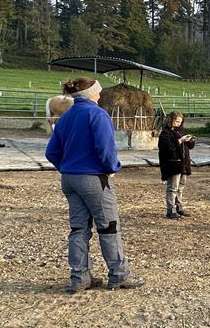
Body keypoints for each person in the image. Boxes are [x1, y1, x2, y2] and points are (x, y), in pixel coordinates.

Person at [45, 77, 144, 293]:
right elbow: (105, 148)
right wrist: (112, 168)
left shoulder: (65, 117)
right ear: (92, 94)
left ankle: (80, 277)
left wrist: (67, 166)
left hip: (70, 178)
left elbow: (51, 152)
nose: (100, 95)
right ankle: (119, 275)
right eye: (98, 92)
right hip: (94, 178)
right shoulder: (97, 114)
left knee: (78, 228)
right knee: (108, 226)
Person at [158, 111, 196, 219]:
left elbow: (189, 147)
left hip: (183, 164)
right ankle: (171, 210)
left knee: (180, 187)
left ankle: (179, 207)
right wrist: (180, 141)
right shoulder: (165, 134)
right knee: (172, 188)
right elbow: (167, 148)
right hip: (173, 164)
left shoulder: (180, 132)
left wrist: (190, 140)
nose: (178, 123)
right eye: (176, 121)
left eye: (180, 121)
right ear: (171, 120)